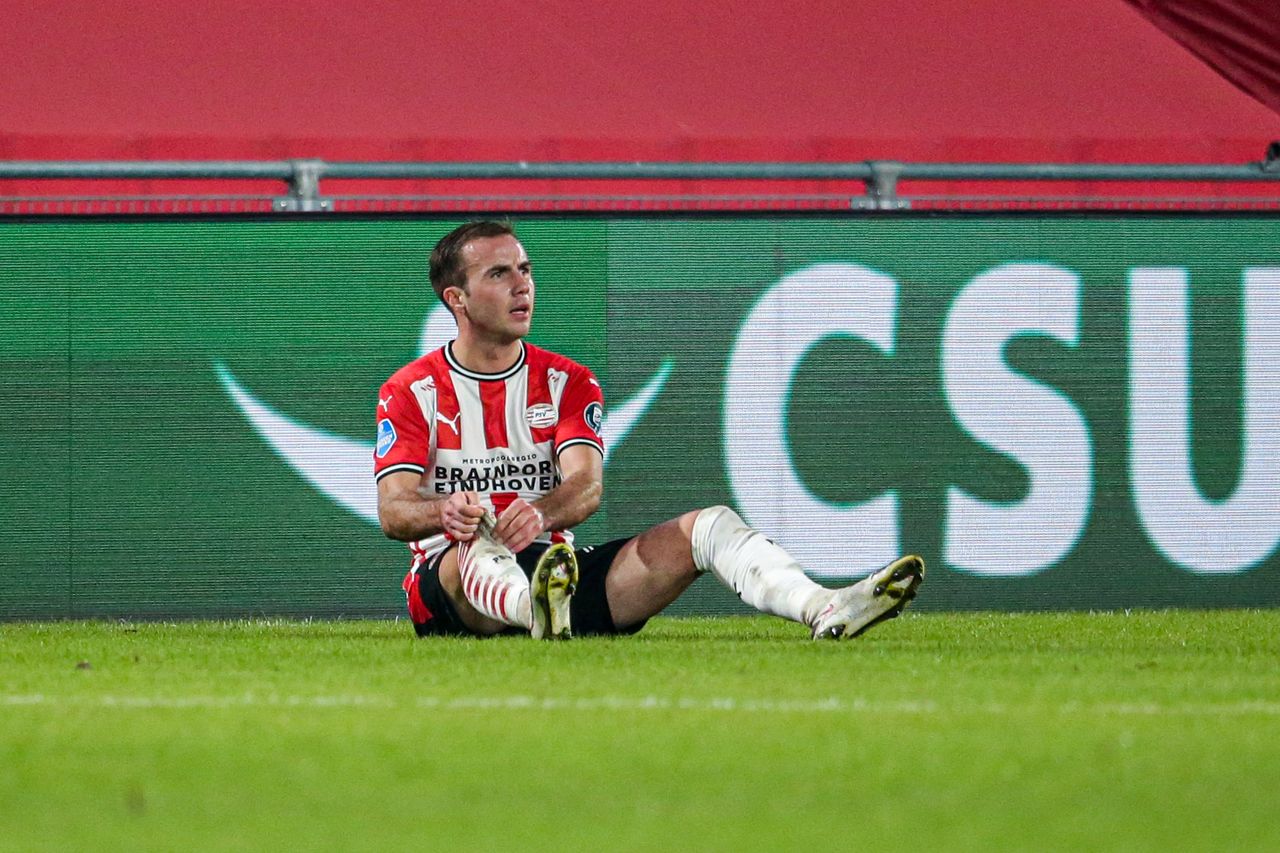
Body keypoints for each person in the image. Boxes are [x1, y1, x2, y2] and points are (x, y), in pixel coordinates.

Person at [374, 220, 924, 640]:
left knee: (709, 526)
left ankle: (823, 607)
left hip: (555, 571)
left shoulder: (568, 381)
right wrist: (443, 512)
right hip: (450, 589)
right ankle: (533, 612)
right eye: (499, 273)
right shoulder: (411, 389)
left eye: (526, 269)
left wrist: (540, 514)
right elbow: (394, 510)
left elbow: (585, 487)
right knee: (479, 541)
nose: (523, 286)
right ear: (457, 299)